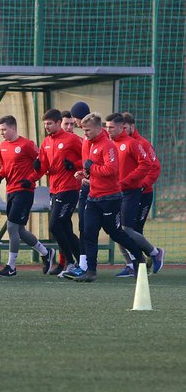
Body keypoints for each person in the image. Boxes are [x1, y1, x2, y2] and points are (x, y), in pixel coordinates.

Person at [64, 113, 145, 282]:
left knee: (115, 233)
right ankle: (91, 271)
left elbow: (111, 170)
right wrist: (84, 174)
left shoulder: (107, 145)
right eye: (84, 130)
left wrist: (91, 168)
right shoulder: (91, 144)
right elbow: (95, 169)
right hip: (94, 197)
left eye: (87, 130)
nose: (84, 133)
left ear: (97, 128)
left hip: (110, 198)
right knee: (88, 232)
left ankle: (139, 256)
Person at [0, 115, 56, 278]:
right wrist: (0, 175)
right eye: (0, 130)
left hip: (25, 191)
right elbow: (4, 167)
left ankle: (11, 267)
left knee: (11, 227)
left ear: (13, 128)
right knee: (19, 230)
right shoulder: (3, 146)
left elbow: (42, 162)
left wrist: (31, 178)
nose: (1, 133)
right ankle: (46, 252)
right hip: (11, 190)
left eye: (4, 129)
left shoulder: (26, 144)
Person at [105, 113, 164, 276]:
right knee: (120, 229)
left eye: (124, 127)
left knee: (131, 228)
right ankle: (133, 263)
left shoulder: (142, 143)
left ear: (131, 126)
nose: (120, 130)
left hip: (142, 192)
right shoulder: (113, 143)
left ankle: (149, 256)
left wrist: (143, 185)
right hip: (122, 191)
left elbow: (154, 167)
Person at [33, 109, 82, 276]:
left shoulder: (72, 139)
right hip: (54, 190)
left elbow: (88, 159)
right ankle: (82, 260)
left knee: (54, 225)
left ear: (57, 122)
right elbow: (44, 167)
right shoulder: (46, 142)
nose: (46, 127)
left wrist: (74, 164)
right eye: (45, 124)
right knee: (66, 228)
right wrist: (32, 176)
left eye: (49, 124)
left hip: (69, 189)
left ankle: (69, 261)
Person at [70, 101, 93, 272]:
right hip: (86, 186)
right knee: (83, 226)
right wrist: (81, 171)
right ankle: (84, 265)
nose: (74, 122)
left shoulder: (95, 137)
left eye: (75, 118)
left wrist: (89, 176)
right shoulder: (85, 137)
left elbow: (98, 162)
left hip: (97, 189)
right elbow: (86, 161)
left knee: (116, 231)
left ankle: (143, 255)